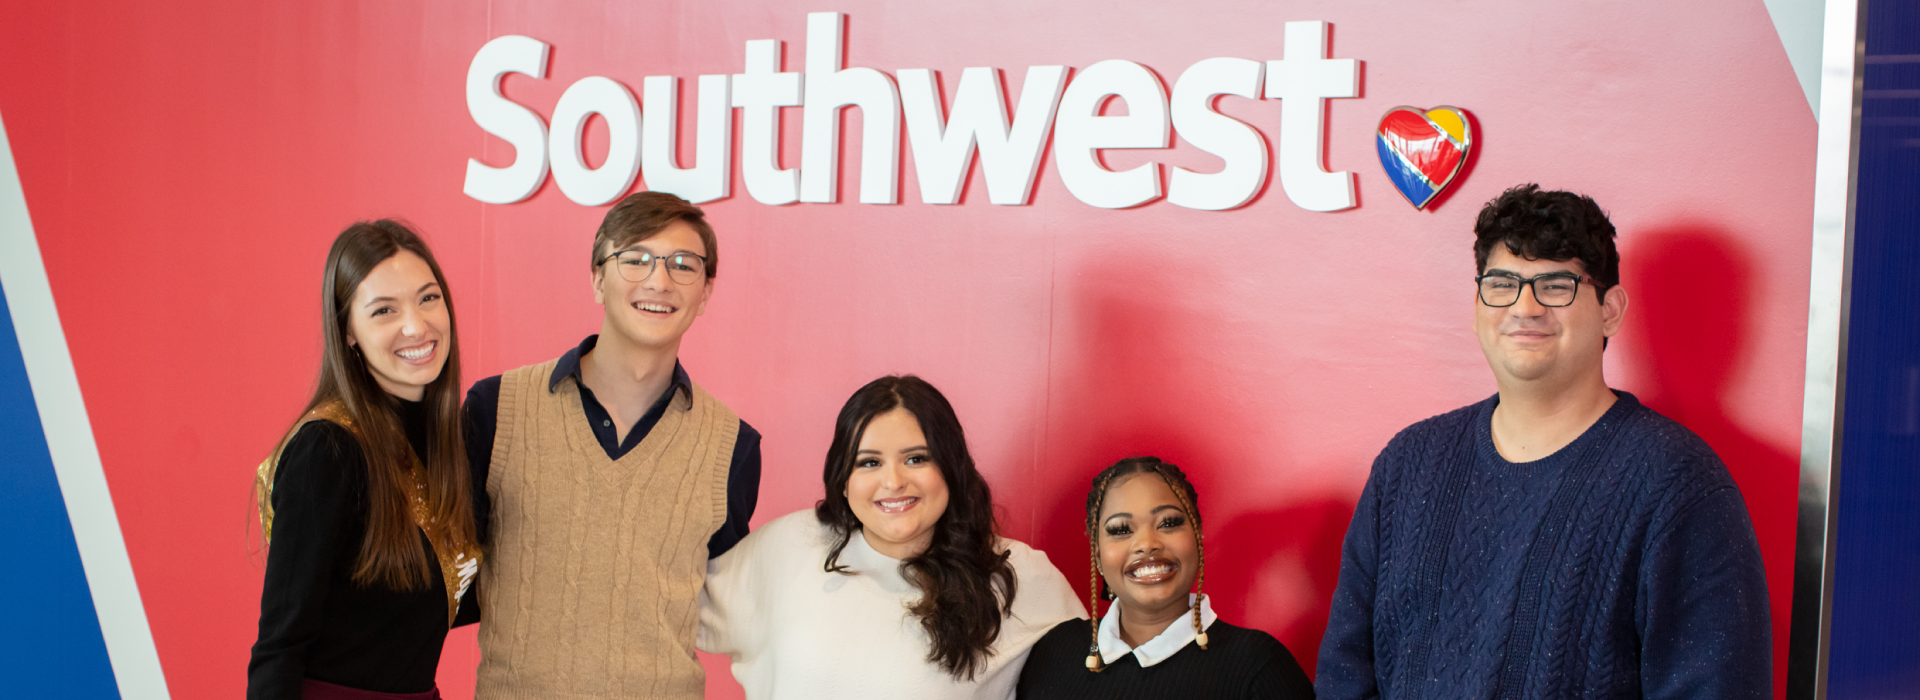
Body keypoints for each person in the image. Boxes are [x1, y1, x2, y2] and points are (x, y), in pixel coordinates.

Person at [1315, 184, 1772, 699]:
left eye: (1556, 285)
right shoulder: (1407, 465)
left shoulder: (1678, 484)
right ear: (1478, 303)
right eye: (1503, 283)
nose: (1525, 307)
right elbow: (1345, 675)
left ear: (1610, 309)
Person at [462, 191, 762, 699]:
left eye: (684, 265)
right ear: (599, 278)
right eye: (636, 259)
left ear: (706, 292)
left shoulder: (732, 448)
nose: (659, 280)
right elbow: (438, 580)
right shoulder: (496, 410)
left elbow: (730, 610)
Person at [699, 375, 1084, 699]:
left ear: (951, 468)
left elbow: (1104, 671)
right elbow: (666, 609)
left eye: (916, 458)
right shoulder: (789, 544)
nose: (894, 482)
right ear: (844, 481)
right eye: (869, 462)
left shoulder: (1016, 575)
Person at [248, 220, 482, 700]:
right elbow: (280, 646)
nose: (416, 324)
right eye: (383, 311)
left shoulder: (452, 440)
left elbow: (445, 601)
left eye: (428, 298)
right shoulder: (328, 450)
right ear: (348, 332)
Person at [1016, 457, 1314, 699]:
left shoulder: (1259, 667)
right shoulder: (1053, 651)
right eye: (1121, 529)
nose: (1146, 543)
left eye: (1168, 523)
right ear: (1097, 557)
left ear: (1197, 538)